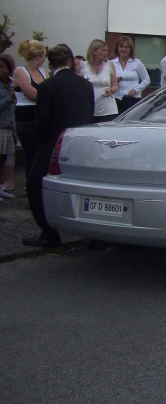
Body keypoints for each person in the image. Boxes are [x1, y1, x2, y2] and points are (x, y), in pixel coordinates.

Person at [22, 44, 95, 247]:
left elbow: (43, 122)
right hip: (82, 142)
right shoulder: (86, 85)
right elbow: (90, 115)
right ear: (70, 61)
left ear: (50, 63)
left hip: (55, 142)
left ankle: (49, 233)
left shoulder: (48, 86)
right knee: (85, 187)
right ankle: (95, 234)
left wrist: (44, 141)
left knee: (34, 184)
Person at [12, 38, 48, 183]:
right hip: (26, 121)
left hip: (41, 119)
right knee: (31, 156)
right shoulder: (20, 72)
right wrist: (47, 97)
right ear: (38, 56)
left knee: (41, 156)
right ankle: (30, 189)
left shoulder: (43, 72)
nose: (45, 58)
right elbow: (32, 94)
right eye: (44, 55)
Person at [82, 39, 118, 122]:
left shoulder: (109, 64)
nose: (106, 53)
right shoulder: (83, 65)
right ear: (94, 51)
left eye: (106, 50)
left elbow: (115, 86)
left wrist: (111, 90)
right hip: (90, 107)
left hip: (108, 109)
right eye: (103, 50)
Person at [111, 36, 150, 113]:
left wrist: (136, 90)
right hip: (116, 99)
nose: (123, 49)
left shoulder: (137, 63)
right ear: (117, 48)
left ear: (130, 49)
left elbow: (146, 79)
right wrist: (115, 81)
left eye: (126, 47)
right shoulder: (111, 63)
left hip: (133, 99)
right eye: (121, 47)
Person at [0, 53, 16, 202]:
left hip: (8, 126)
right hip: (0, 126)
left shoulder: (9, 83)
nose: (1, 70)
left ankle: (1, 188)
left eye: (3, 67)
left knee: (5, 159)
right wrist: (8, 99)